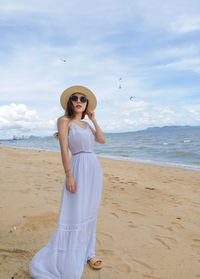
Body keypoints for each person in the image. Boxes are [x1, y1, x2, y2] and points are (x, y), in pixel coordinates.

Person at [29, 85, 105, 279]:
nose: (79, 101)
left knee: (90, 212)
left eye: (83, 99)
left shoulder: (87, 125)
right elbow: (64, 149)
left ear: (86, 104)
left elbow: (102, 140)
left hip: (93, 168)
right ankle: (67, 254)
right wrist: (68, 174)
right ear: (70, 103)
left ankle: (88, 253)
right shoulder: (64, 121)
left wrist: (93, 119)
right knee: (75, 211)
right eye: (75, 98)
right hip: (77, 166)